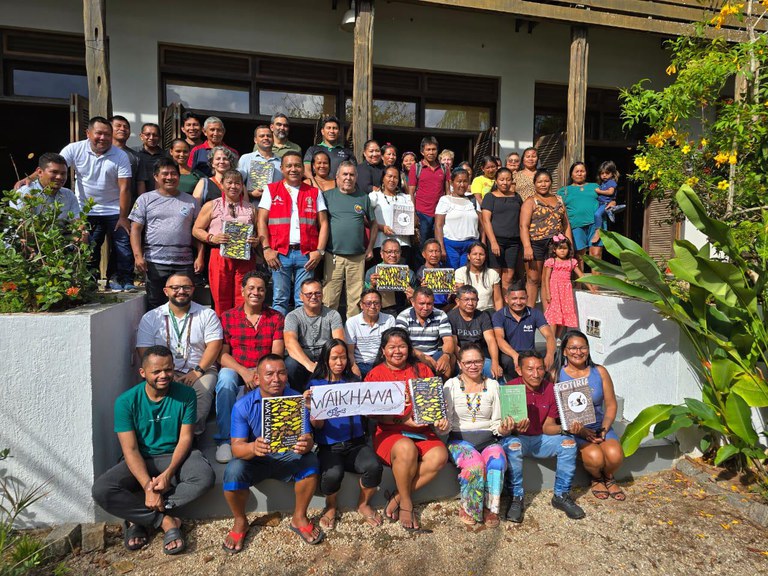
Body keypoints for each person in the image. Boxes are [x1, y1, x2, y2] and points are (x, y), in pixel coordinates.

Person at [92, 346, 215, 554]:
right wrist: (148, 487)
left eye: (168, 370)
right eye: (156, 372)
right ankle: (165, 521)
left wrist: (167, 475)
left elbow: (186, 438)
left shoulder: (186, 395)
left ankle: (138, 518)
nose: (163, 376)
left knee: (204, 477)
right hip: (142, 456)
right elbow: (130, 449)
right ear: (143, 373)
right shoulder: (126, 401)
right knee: (102, 490)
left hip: (175, 455)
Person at [222, 354, 323, 551]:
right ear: (257, 378)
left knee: (310, 461)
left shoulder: (296, 399)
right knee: (233, 470)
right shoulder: (243, 405)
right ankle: (240, 521)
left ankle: (299, 517)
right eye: (269, 374)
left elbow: (308, 438)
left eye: (281, 373)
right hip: (255, 460)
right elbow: (236, 447)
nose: (276, 379)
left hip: (287, 456)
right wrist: (252, 447)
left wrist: (307, 443)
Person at [364, 327, 449, 532]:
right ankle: (407, 504)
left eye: (402, 346)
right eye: (391, 347)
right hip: (389, 432)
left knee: (439, 455)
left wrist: (439, 418)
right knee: (406, 448)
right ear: (383, 350)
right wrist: (402, 419)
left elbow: (432, 405)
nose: (397, 351)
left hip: (421, 430)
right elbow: (369, 413)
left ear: (409, 349)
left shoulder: (422, 369)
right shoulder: (375, 375)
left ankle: (398, 495)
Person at [307, 339, 384, 529]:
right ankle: (331, 505)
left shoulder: (354, 382)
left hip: (356, 444)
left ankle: (363, 503)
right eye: (334, 358)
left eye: (343, 357)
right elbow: (317, 426)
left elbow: (367, 411)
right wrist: (314, 410)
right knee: (332, 474)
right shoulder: (315, 385)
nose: (339, 362)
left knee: (374, 467)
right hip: (329, 446)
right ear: (325, 360)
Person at [501, 350, 585, 522]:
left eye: (540, 369)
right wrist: (513, 427)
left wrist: (566, 428)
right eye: (530, 369)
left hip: (542, 439)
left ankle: (561, 495)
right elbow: (502, 428)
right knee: (512, 445)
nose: (536, 374)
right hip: (518, 439)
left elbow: (548, 426)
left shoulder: (551, 389)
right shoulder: (510, 389)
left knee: (569, 443)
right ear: (519, 370)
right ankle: (516, 497)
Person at [136, 272, 222, 436]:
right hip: (164, 369)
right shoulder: (152, 317)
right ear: (165, 291)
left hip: (201, 369)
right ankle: (165, 437)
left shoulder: (206, 314)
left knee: (203, 391)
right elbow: (144, 351)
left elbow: (214, 345)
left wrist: (197, 371)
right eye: (175, 287)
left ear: (193, 289)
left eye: (186, 287)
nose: (181, 291)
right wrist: (167, 374)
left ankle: (191, 437)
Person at [215, 272, 285, 463]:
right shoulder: (228, 317)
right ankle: (225, 439)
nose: (256, 292)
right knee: (225, 380)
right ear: (243, 290)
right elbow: (222, 354)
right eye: (252, 288)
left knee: (278, 376)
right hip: (238, 369)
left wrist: (259, 374)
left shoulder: (276, 317)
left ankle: (279, 434)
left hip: (265, 369)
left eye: (261, 289)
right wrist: (244, 372)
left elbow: (276, 353)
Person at [59, 116, 133, 291]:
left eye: (107, 134)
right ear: (88, 133)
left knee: (122, 246)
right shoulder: (74, 149)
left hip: (115, 208)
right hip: (86, 208)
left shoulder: (120, 155)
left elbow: (125, 188)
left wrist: (123, 217)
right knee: (90, 246)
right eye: (99, 133)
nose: (103, 138)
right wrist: (31, 178)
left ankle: (121, 278)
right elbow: (54, 166)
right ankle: (90, 280)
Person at [443, 344, 513, 526]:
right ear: (459, 364)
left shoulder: (492, 385)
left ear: (484, 363)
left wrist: (504, 429)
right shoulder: (451, 386)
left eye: (477, 361)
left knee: (497, 461)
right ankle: (470, 506)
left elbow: (497, 421)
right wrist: (441, 427)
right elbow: (446, 425)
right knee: (474, 464)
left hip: (488, 439)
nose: (473, 366)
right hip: (460, 439)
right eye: (468, 362)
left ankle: (491, 508)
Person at [555, 330, 626, 501]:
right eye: (572, 348)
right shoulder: (556, 375)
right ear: (564, 351)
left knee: (615, 455)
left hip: (600, 426)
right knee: (595, 457)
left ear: (588, 349)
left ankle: (608, 477)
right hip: (575, 430)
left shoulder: (600, 371)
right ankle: (596, 478)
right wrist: (579, 431)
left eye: (582, 348)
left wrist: (604, 429)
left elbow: (611, 404)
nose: (578, 352)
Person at [258, 152, 329, 316]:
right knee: (279, 299)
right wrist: (266, 248)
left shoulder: (314, 192)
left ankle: (298, 338)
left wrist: (319, 251)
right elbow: (261, 220)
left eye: (297, 165)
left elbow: (323, 222)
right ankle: (278, 339)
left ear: (303, 168)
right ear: (281, 168)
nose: (293, 169)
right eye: (289, 165)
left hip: (306, 254)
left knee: (303, 300)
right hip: (279, 253)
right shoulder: (271, 190)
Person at [129, 158, 203, 309]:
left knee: (183, 303)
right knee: (155, 304)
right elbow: (135, 229)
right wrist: (138, 256)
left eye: (173, 174)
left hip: (184, 263)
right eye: (165, 174)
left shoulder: (191, 201)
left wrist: (200, 256)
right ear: (156, 177)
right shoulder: (145, 199)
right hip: (155, 262)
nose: (170, 177)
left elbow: (199, 231)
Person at [192, 170, 259, 315]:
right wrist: (211, 238)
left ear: (242, 186)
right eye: (229, 182)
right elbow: (196, 229)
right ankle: (222, 334)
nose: (233, 186)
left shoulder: (251, 209)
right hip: (220, 256)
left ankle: (240, 332)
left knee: (243, 296)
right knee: (220, 296)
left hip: (244, 258)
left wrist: (255, 240)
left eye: (237, 183)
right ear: (222, 185)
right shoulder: (212, 205)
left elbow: (258, 234)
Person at [322, 161, 378, 318]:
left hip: (357, 256)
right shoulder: (327, 196)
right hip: (333, 255)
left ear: (356, 177)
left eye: (352, 174)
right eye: (344, 174)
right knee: (330, 297)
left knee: (355, 299)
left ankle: (351, 335)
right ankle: (330, 333)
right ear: (337, 177)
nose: (348, 178)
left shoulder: (363, 198)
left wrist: (370, 247)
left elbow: (374, 224)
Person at [520, 169, 573, 308]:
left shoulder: (559, 200)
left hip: (555, 245)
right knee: (533, 279)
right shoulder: (530, 201)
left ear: (551, 182)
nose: (543, 184)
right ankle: (529, 313)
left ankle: (548, 314)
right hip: (535, 244)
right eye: (540, 181)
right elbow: (523, 226)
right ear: (534, 183)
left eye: (546, 181)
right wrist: (527, 246)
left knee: (549, 279)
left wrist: (569, 246)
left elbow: (566, 224)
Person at [284, 278, 345, 391]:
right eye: (309, 294)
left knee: (339, 358)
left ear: (322, 295)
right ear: (301, 296)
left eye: (317, 293)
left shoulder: (332, 314)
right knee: (290, 364)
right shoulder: (293, 316)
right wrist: (309, 365)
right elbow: (290, 342)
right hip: (302, 357)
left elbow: (339, 342)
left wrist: (327, 361)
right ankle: (297, 394)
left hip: (326, 356)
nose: (313, 297)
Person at [492, 281, 556, 377]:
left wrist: (550, 355)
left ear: (527, 298)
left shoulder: (535, 313)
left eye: (522, 298)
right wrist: (515, 355)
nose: (518, 302)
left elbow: (549, 335)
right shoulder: (499, 315)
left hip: (530, 353)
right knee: (508, 361)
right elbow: (499, 339)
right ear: (506, 299)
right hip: (509, 353)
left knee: (555, 355)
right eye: (514, 298)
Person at [396, 286, 455, 379]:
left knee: (451, 357)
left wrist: (446, 356)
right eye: (422, 303)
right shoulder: (403, 316)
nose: (426, 307)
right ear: (413, 302)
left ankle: (442, 387)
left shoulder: (440, 315)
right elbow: (401, 343)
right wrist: (422, 356)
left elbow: (448, 340)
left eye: (429, 304)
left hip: (434, 355)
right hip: (411, 355)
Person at [542, 235, 595, 337]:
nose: (562, 251)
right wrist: (548, 293)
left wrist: (591, 288)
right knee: (554, 315)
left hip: (566, 292)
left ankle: (557, 338)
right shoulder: (551, 261)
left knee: (564, 315)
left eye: (565, 248)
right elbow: (546, 278)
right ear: (554, 250)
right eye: (559, 248)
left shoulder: (572, 262)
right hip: (555, 290)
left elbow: (581, 276)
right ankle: (551, 339)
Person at [448, 285, 503, 380]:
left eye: (474, 300)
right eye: (466, 300)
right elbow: (454, 343)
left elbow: (491, 340)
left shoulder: (483, 316)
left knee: (494, 371)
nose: (470, 303)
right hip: (460, 357)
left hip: (478, 356)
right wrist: (463, 361)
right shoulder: (451, 316)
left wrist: (495, 363)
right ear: (457, 301)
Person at [482, 168, 523, 293]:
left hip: (514, 242)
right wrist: (493, 242)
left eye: (508, 179)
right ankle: (496, 307)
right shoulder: (490, 197)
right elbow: (486, 221)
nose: (505, 183)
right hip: (496, 241)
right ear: (496, 180)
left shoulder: (516, 197)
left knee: (509, 276)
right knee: (495, 276)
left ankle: (506, 306)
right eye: (501, 179)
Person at [557, 162, 603, 266]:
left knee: (596, 255)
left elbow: (607, 199)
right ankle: (580, 282)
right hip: (575, 226)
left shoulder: (595, 186)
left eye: (582, 171)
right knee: (579, 256)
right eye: (576, 171)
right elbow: (558, 209)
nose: (579, 174)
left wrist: (612, 202)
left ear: (586, 173)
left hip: (595, 226)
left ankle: (596, 282)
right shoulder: (564, 191)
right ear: (571, 174)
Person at [434, 168, 481, 270]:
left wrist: (482, 244)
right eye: (459, 181)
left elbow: (481, 225)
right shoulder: (445, 200)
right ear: (452, 183)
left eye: (465, 181)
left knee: (466, 275)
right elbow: (438, 225)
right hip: (450, 245)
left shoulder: (472, 200)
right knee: (451, 275)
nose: (462, 185)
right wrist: (441, 247)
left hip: (470, 245)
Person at [408, 136, 447, 252]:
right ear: (422, 152)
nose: (431, 152)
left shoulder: (444, 168)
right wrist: (413, 214)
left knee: (439, 246)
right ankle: (421, 270)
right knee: (421, 247)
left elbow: (448, 192)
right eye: (428, 149)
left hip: (439, 214)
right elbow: (411, 192)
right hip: (422, 214)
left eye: (434, 149)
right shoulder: (416, 168)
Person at [14, 153, 81, 221]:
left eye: (63, 173)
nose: (59, 177)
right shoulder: (25, 193)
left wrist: (82, 230)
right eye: (54, 172)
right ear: (40, 172)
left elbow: (77, 222)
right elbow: (24, 228)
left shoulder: (69, 195)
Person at [345, 288, 396, 378]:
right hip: (360, 364)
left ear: (381, 305)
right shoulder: (352, 322)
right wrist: (353, 366)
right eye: (368, 303)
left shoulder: (389, 319)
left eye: (376, 303)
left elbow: (391, 346)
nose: (372, 306)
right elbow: (350, 352)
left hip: (382, 363)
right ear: (361, 305)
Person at [369, 166, 415, 264]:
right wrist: (381, 227)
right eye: (389, 176)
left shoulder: (405, 198)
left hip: (403, 244)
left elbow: (414, 219)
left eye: (395, 177)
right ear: (383, 178)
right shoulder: (375, 196)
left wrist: (409, 226)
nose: (392, 180)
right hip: (381, 243)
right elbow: (365, 217)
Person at [364, 238, 417, 317]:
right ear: (381, 254)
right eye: (389, 252)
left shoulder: (409, 273)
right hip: (378, 312)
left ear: (401, 253)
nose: (393, 255)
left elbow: (416, 299)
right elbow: (364, 298)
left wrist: (413, 295)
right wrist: (372, 286)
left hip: (403, 311)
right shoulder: (372, 272)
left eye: (396, 252)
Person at [238, 125, 282, 206]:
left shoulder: (281, 161)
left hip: (277, 206)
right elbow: (237, 183)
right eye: (262, 136)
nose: (266, 138)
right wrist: (250, 193)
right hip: (252, 206)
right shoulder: (246, 158)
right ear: (255, 140)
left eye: (268, 136)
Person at [454, 242, 503, 314]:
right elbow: (461, 297)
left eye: (481, 254)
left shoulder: (493, 274)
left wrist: (500, 317)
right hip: (467, 311)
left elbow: (498, 300)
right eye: (474, 254)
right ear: (468, 256)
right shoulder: (460, 272)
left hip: (487, 312)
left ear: (485, 256)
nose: (478, 257)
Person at [591, 160, 625, 243]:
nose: (604, 175)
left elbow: (610, 192)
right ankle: (611, 210)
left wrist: (599, 191)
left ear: (612, 173)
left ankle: (598, 231)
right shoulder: (603, 183)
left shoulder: (611, 182)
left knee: (597, 214)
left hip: (605, 203)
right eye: (602, 173)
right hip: (601, 203)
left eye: (607, 173)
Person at [110, 115, 140, 199]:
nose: (122, 129)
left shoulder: (136, 156)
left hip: (129, 204)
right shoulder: (101, 153)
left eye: (126, 127)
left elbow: (140, 182)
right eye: (118, 126)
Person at [416, 238, 450, 308]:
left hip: (446, 307)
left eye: (437, 251)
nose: (434, 255)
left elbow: (449, 298)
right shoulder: (420, 274)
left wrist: (453, 293)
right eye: (431, 251)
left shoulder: (447, 272)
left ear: (441, 253)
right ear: (423, 254)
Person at [136, 123, 165, 196]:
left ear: (160, 138)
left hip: (160, 197)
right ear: (141, 136)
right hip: (135, 198)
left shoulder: (166, 156)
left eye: (155, 135)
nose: (151, 137)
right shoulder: (134, 154)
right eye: (147, 134)